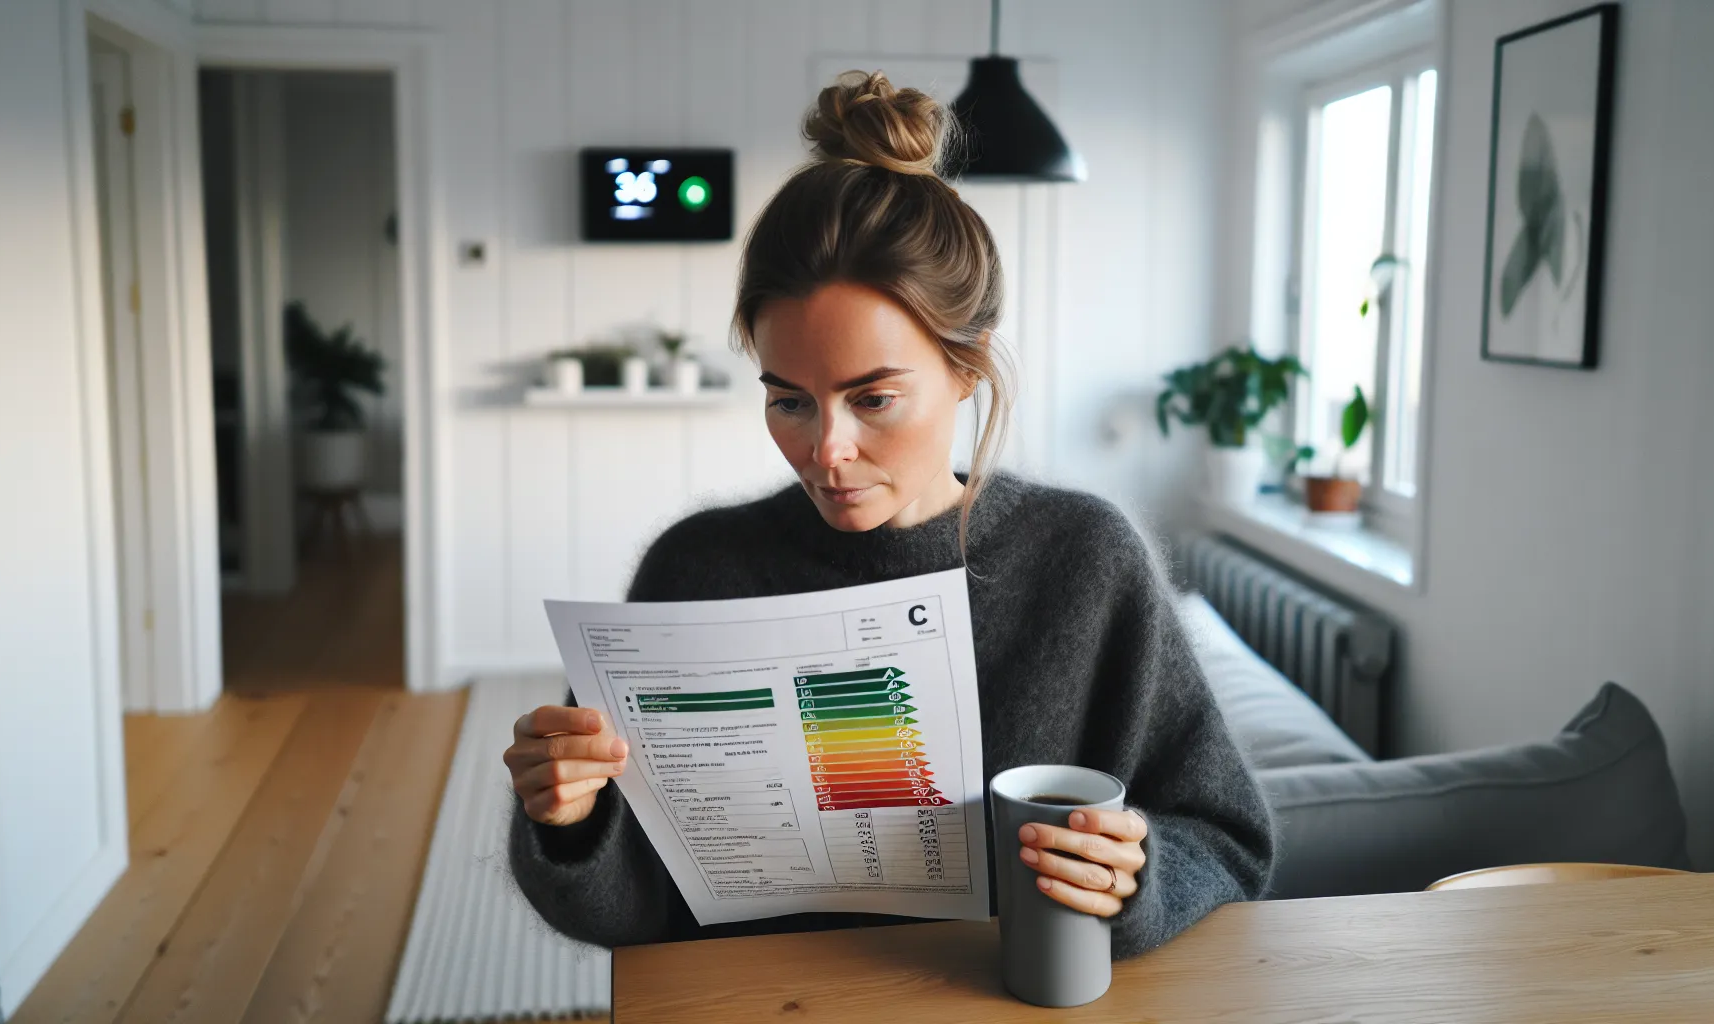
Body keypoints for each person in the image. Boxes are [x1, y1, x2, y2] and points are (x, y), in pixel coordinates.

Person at [504, 70, 1273, 960]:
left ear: (967, 368)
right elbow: (631, 916)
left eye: (872, 399)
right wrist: (568, 820)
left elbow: (1223, 837)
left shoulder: (1084, 561)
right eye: (789, 400)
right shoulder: (696, 572)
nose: (825, 451)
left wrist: (1134, 879)